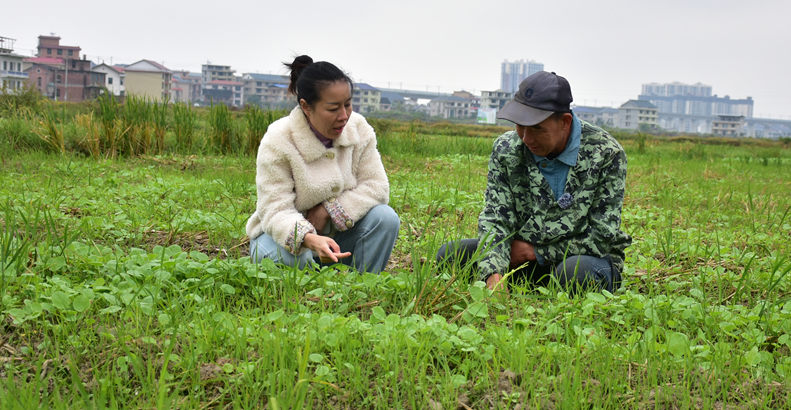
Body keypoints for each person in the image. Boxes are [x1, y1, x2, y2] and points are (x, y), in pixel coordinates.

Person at [437, 70, 631, 292]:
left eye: (537, 129)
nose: (526, 138)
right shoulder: (506, 149)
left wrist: (536, 252)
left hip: (583, 259)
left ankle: (556, 282)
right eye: (520, 126)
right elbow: (496, 217)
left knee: (575, 273)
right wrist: (493, 272)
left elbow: (602, 235)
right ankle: (529, 283)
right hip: (520, 258)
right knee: (450, 255)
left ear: (565, 122)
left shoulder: (606, 153)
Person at [246, 55, 399, 273]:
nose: (344, 116)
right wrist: (307, 238)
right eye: (333, 108)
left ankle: (363, 285)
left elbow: (377, 187)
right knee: (291, 261)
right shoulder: (279, 139)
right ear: (306, 107)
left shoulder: (359, 129)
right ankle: (310, 290)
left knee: (385, 218)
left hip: (338, 240)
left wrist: (330, 210)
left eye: (347, 104)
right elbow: (274, 209)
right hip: (281, 240)